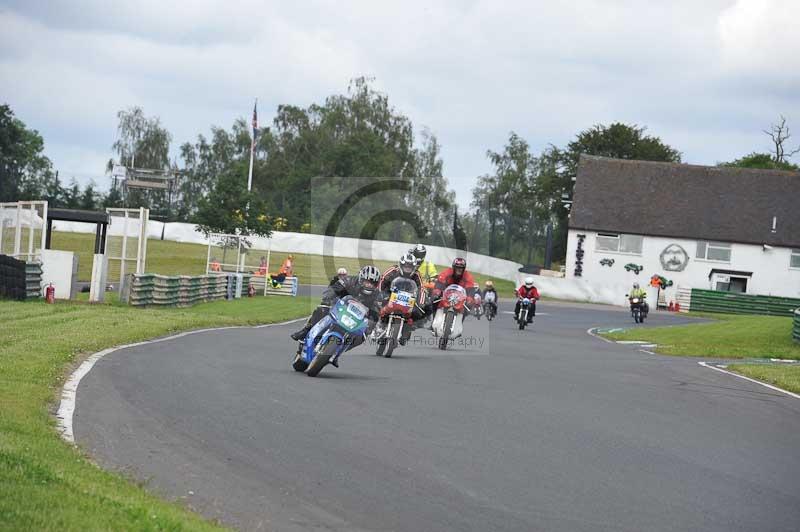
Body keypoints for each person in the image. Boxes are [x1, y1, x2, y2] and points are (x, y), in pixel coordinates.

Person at [290, 265, 383, 348]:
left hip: (356, 318)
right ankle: (306, 330)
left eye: (372, 283)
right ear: (361, 279)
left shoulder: (376, 295)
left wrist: (372, 321)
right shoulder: (349, 280)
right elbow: (333, 288)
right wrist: (327, 298)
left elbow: (377, 311)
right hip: (339, 307)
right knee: (322, 308)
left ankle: (342, 348)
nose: (369, 285)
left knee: (363, 334)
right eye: (367, 281)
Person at [377, 253, 427, 339]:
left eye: (410, 267)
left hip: (409, 298)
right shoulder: (393, 270)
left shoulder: (417, 275)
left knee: (416, 313)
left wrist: (421, 302)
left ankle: (407, 329)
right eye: (406, 266)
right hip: (390, 293)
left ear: (414, 267)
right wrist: (380, 293)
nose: (407, 269)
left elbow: (422, 288)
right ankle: (380, 324)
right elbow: (382, 279)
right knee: (380, 305)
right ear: (401, 265)